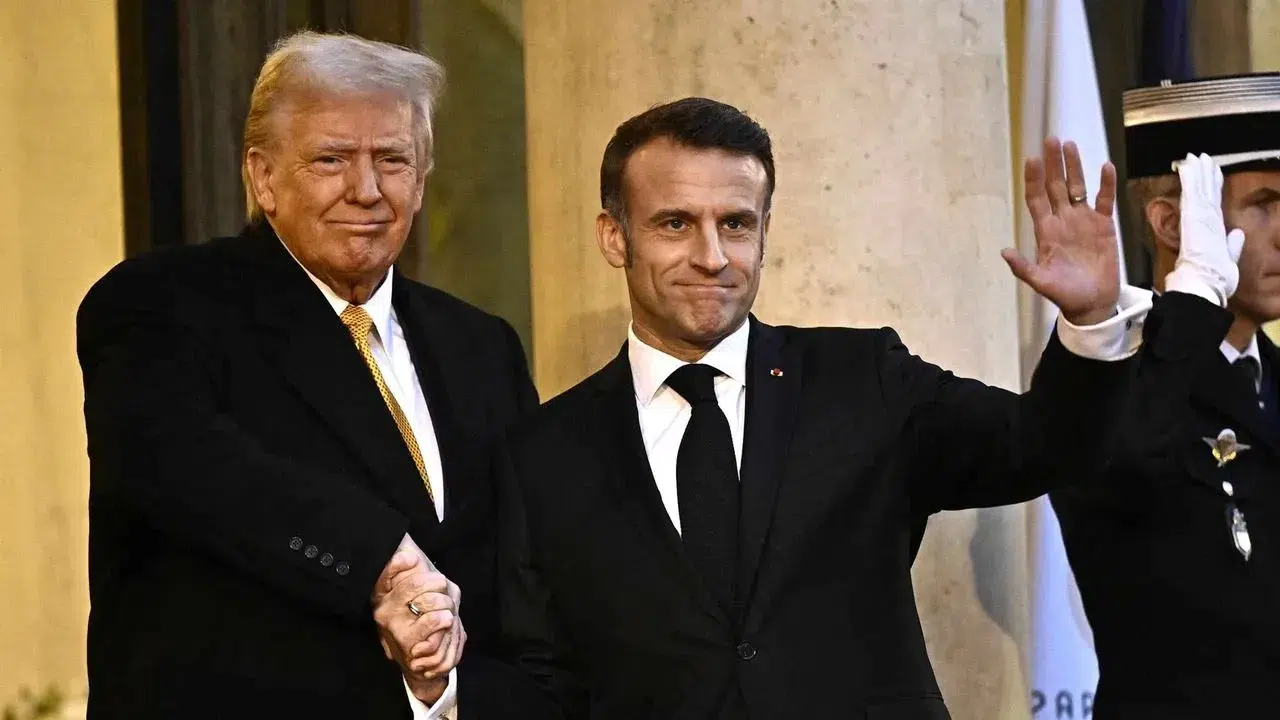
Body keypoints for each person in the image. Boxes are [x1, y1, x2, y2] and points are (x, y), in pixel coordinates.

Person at [467, 97, 1236, 718]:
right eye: (675, 224)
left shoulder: (863, 378)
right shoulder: (544, 453)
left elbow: (1046, 446)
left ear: (765, 232)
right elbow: (544, 679)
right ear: (614, 237)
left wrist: (1091, 323)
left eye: (736, 223)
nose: (712, 256)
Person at [77, 32, 543, 719]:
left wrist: (450, 695)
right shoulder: (160, 304)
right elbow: (186, 467)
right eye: (332, 160)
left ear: (421, 180)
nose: (366, 190)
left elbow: (526, 584)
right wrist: (380, 561)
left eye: (392, 160)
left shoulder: (481, 346)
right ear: (263, 177)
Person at [1050, 72, 1280, 718]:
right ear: (1173, 223)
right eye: (1263, 205)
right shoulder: (1109, 375)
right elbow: (1121, 463)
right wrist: (1193, 300)